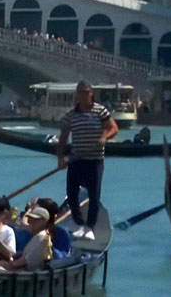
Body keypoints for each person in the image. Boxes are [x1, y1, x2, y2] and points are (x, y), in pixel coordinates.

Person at [56, 81, 118, 241]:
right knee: (71, 194)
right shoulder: (70, 116)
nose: (83, 96)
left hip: (95, 160)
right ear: (77, 95)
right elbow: (62, 138)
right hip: (76, 159)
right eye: (80, 93)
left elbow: (114, 128)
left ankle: (90, 227)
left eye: (86, 92)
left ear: (91, 94)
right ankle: (78, 223)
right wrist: (60, 159)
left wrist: (104, 137)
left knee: (94, 195)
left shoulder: (100, 111)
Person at [0, 206, 52, 271]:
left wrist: (4, 263)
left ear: (44, 221)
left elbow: (21, 263)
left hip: (27, 273)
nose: (31, 222)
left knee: (0, 264)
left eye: (35, 220)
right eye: (30, 219)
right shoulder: (41, 235)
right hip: (30, 270)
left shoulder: (41, 237)